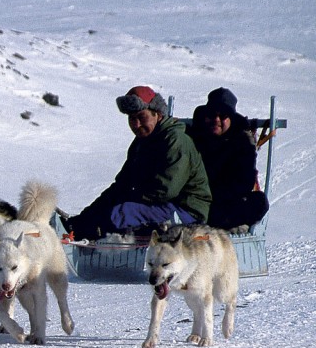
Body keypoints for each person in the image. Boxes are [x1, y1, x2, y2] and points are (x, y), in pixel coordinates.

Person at [64, 86, 211, 241]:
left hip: (186, 211)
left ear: (157, 114)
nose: (136, 124)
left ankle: (93, 238)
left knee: (122, 213)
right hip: (160, 205)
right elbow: (123, 184)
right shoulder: (142, 142)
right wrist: (88, 214)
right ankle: (77, 230)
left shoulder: (175, 141)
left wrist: (124, 200)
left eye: (141, 117)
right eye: (132, 119)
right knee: (111, 208)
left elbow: (165, 190)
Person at [187, 87, 269, 232]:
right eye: (212, 114)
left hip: (225, 202)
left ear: (230, 118)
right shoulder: (193, 137)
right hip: (196, 200)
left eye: (222, 115)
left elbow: (245, 182)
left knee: (259, 202)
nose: (216, 120)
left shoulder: (242, 142)